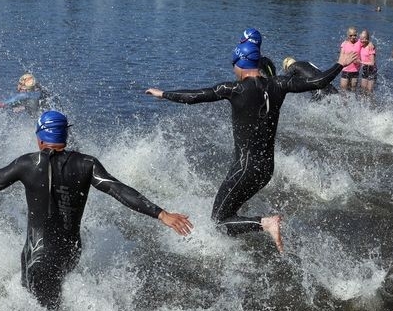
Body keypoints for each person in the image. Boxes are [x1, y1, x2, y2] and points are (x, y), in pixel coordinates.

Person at [0, 110, 192, 311]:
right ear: (65, 135)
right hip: (69, 253)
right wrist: (161, 214)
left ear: (39, 139)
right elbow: (118, 189)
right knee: (54, 310)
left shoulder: (26, 164)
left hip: (37, 257)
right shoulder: (86, 163)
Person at [145, 38, 357, 252]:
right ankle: (247, 237)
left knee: (218, 221)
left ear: (240, 63)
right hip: (266, 169)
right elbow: (318, 82)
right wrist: (340, 64)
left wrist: (163, 94)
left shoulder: (234, 88)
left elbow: (196, 96)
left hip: (245, 168)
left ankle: (265, 224)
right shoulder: (279, 84)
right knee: (231, 211)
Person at [339, 27, 361, 92]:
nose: (353, 37)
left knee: (353, 90)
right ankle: (343, 102)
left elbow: (367, 41)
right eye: (351, 35)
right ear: (347, 35)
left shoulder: (359, 42)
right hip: (345, 70)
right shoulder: (344, 44)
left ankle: (353, 102)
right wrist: (339, 67)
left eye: (354, 35)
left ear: (357, 35)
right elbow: (341, 57)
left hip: (355, 71)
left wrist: (370, 44)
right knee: (343, 90)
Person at [356, 29, 377, 95]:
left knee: (369, 91)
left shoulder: (370, 47)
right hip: (365, 69)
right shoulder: (361, 45)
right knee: (363, 90)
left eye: (365, 38)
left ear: (368, 39)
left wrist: (361, 62)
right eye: (361, 38)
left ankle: (371, 104)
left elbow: (372, 63)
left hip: (372, 70)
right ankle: (363, 104)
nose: (363, 40)